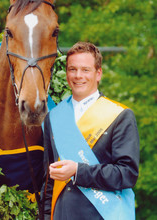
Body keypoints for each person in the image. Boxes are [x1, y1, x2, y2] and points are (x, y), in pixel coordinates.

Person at [41, 42, 140, 220]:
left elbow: (127, 174)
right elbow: (49, 181)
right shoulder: (54, 117)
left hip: (102, 215)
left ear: (98, 74)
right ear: (67, 73)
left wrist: (78, 171)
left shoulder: (120, 116)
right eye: (72, 69)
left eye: (85, 70)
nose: (78, 76)